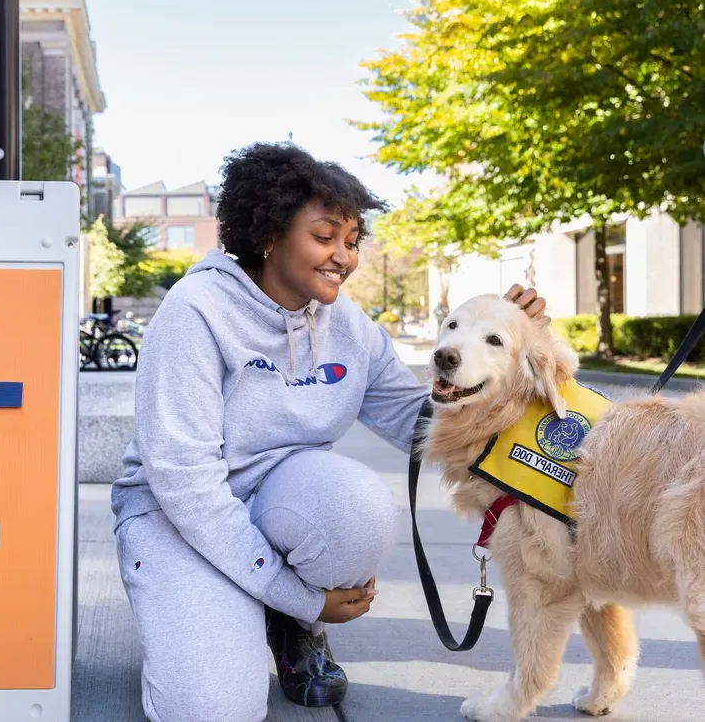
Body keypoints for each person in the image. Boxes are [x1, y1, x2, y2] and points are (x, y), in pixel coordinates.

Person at [109, 142, 546, 722]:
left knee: (358, 506)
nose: (344, 255)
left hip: (279, 501)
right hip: (176, 518)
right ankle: (238, 608)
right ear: (269, 233)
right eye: (324, 236)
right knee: (210, 709)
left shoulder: (346, 323)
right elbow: (186, 487)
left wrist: (508, 347)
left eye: (352, 240)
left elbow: (419, 419)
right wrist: (303, 595)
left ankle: (291, 630)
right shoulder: (196, 312)